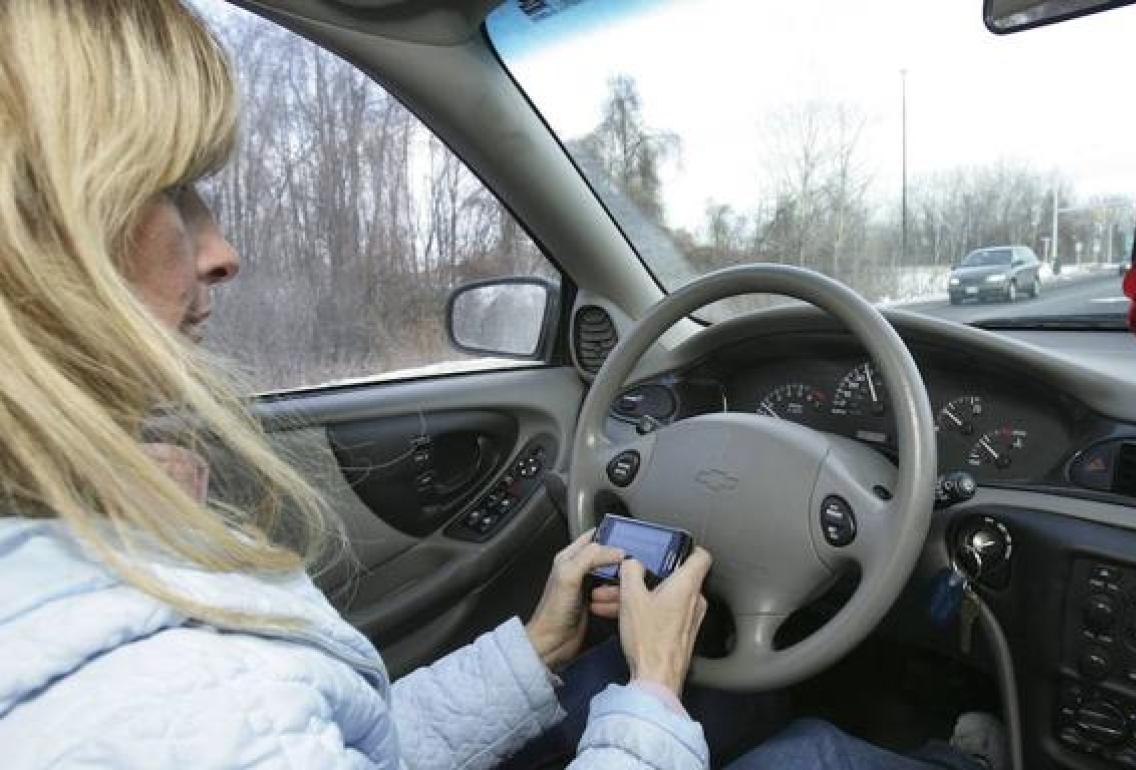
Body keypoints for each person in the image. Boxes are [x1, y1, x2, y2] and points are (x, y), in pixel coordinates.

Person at [0, 2, 1002, 768]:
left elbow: (360, 744)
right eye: (168, 192)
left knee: (684, 690)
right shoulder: (138, 694)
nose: (221, 249)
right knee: (816, 745)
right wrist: (652, 690)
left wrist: (541, 641)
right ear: (31, 236)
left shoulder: (87, 597)